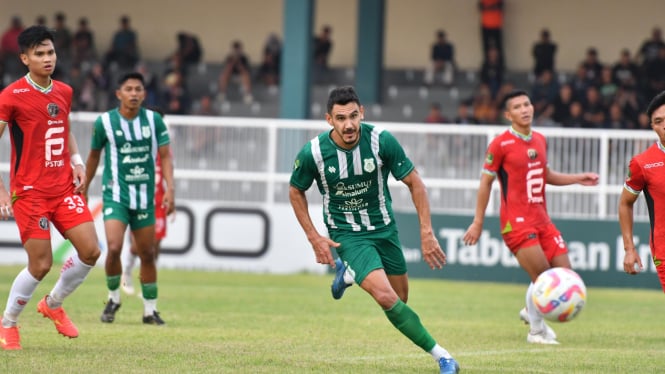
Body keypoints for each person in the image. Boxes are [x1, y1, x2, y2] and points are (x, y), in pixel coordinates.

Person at [289, 86, 460, 374]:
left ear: (362, 113)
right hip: (348, 235)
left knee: (400, 299)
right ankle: (443, 356)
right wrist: (314, 236)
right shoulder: (314, 152)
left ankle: (349, 273)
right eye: (341, 118)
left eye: (353, 116)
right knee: (386, 298)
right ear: (329, 120)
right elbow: (296, 191)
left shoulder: (381, 141)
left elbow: (415, 183)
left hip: (384, 229)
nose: (349, 124)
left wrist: (426, 232)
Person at [462, 89, 599, 345]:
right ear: (508, 114)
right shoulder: (500, 144)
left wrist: (577, 179)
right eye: (517, 107)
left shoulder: (540, 139)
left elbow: (544, 174)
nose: (524, 109)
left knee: (564, 274)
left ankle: (530, 311)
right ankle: (536, 331)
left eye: (527, 104)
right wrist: (478, 222)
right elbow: (485, 183)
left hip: (542, 219)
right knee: (543, 278)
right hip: (516, 222)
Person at [0, 25, 101, 350]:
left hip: (62, 189)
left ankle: (53, 304)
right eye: (40, 54)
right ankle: (8, 323)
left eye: (51, 52)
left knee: (91, 251)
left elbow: (63, 128)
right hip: (29, 193)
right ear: (25, 58)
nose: (47, 59)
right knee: (41, 264)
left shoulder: (64, 91)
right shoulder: (11, 96)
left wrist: (76, 160)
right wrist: (2, 192)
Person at [83, 72, 175, 325]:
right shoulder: (105, 122)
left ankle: (150, 310)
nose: (134, 93)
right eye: (129, 89)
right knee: (113, 247)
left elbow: (166, 156)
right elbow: (93, 156)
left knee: (147, 253)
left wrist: (170, 188)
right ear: (118, 94)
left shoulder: (154, 121)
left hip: (145, 197)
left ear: (144, 94)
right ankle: (113, 298)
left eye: (138, 89)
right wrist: (85, 186)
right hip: (116, 196)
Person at [121, 108, 174, 296]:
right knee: (138, 246)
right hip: (140, 200)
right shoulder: (138, 143)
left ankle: (148, 283)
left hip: (158, 202)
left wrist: (170, 196)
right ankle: (126, 272)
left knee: (155, 247)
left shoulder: (165, 149)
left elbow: (168, 173)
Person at [620, 90, 665, 289]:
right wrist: (629, 248)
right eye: (658, 121)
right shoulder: (643, 163)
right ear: (653, 126)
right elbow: (625, 204)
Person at [478, 0, 504, 66]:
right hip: (485, 25)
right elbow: (480, 7)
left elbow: (500, 5)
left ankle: (500, 65)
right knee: (486, 47)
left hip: (496, 25)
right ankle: (487, 65)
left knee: (498, 47)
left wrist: (487, 7)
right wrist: (492, 6)